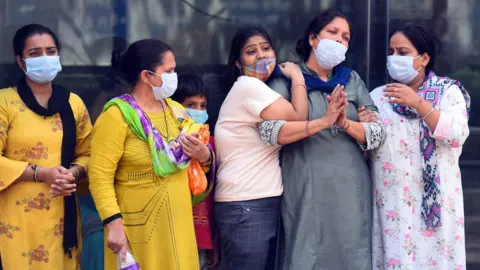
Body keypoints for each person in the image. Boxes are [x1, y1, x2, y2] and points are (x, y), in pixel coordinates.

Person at [263, 9, 386, 270]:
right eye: (333, 32)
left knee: (351, 252)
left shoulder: (351, 80)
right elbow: (269, 132)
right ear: (313, 38)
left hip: (351, 187)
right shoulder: (287, 77)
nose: (339, 40)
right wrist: (321, 122)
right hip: (307, 184)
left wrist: (345, 123)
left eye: (346, 37)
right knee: (307, 252)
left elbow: (377, 134)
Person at [88, 39, 212, 270]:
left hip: (178, 222)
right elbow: (99, 177)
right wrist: (113, 223)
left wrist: (205, 156)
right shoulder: (117, 116)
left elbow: (196, 166)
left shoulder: (177, 111)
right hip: (138, 227)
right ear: (147, 76)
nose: (175, 76)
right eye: (169, 71)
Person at [368, 24, 470, 269]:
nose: (395, 58)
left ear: (424, 58)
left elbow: (456, 135)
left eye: (403, 52)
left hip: (437, 205)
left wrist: (418, 103)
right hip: (393, 204)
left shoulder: (448, 92)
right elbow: (367, 147)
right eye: (391, 52)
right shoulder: (378, 97)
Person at [0, 24, 92, 269]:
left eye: (51, 51)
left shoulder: (74, 104)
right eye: (35, 53)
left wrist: (73, 172)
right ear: (20, 61)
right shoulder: (4, 102)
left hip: (63, 216)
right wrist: (41, 173)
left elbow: (89, 154)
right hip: (16, 220)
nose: (45, 58)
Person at [171, 73, 218, 269]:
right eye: (190, 105)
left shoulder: (210, 142)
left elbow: (213, 188)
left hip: (200, 235)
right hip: (170, 231)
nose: (198, 111)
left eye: (203, 105)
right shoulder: (164, 140)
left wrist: (205, 157)